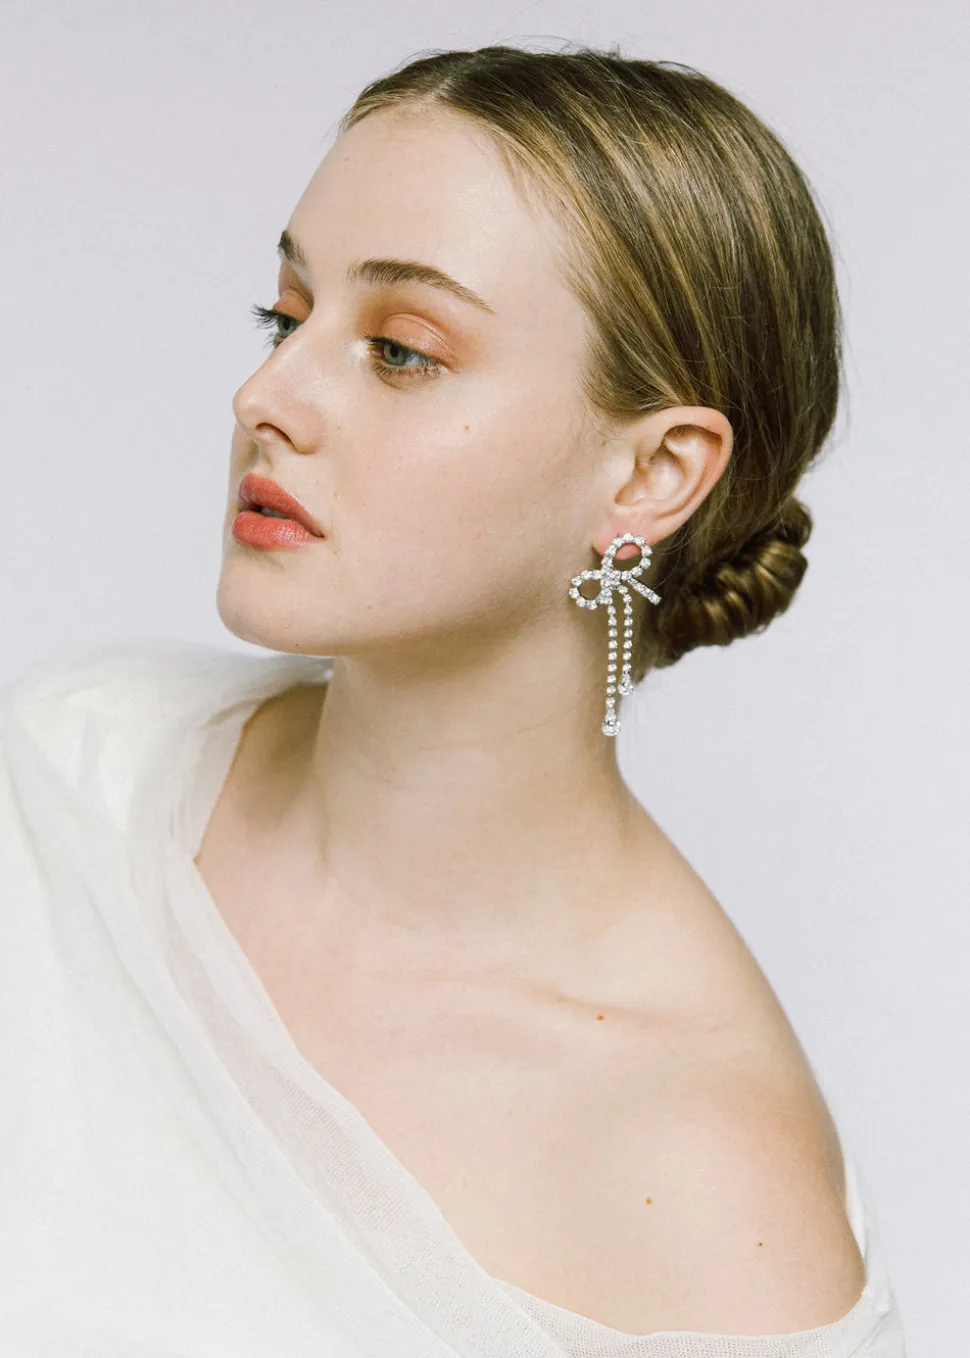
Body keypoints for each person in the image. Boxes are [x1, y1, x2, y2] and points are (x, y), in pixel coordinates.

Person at [0, 42, 907, 1358]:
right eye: (284, 315)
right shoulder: (72, 774)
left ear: (653, 474)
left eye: (400, 350)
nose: (266, 396)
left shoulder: (707, 1190)